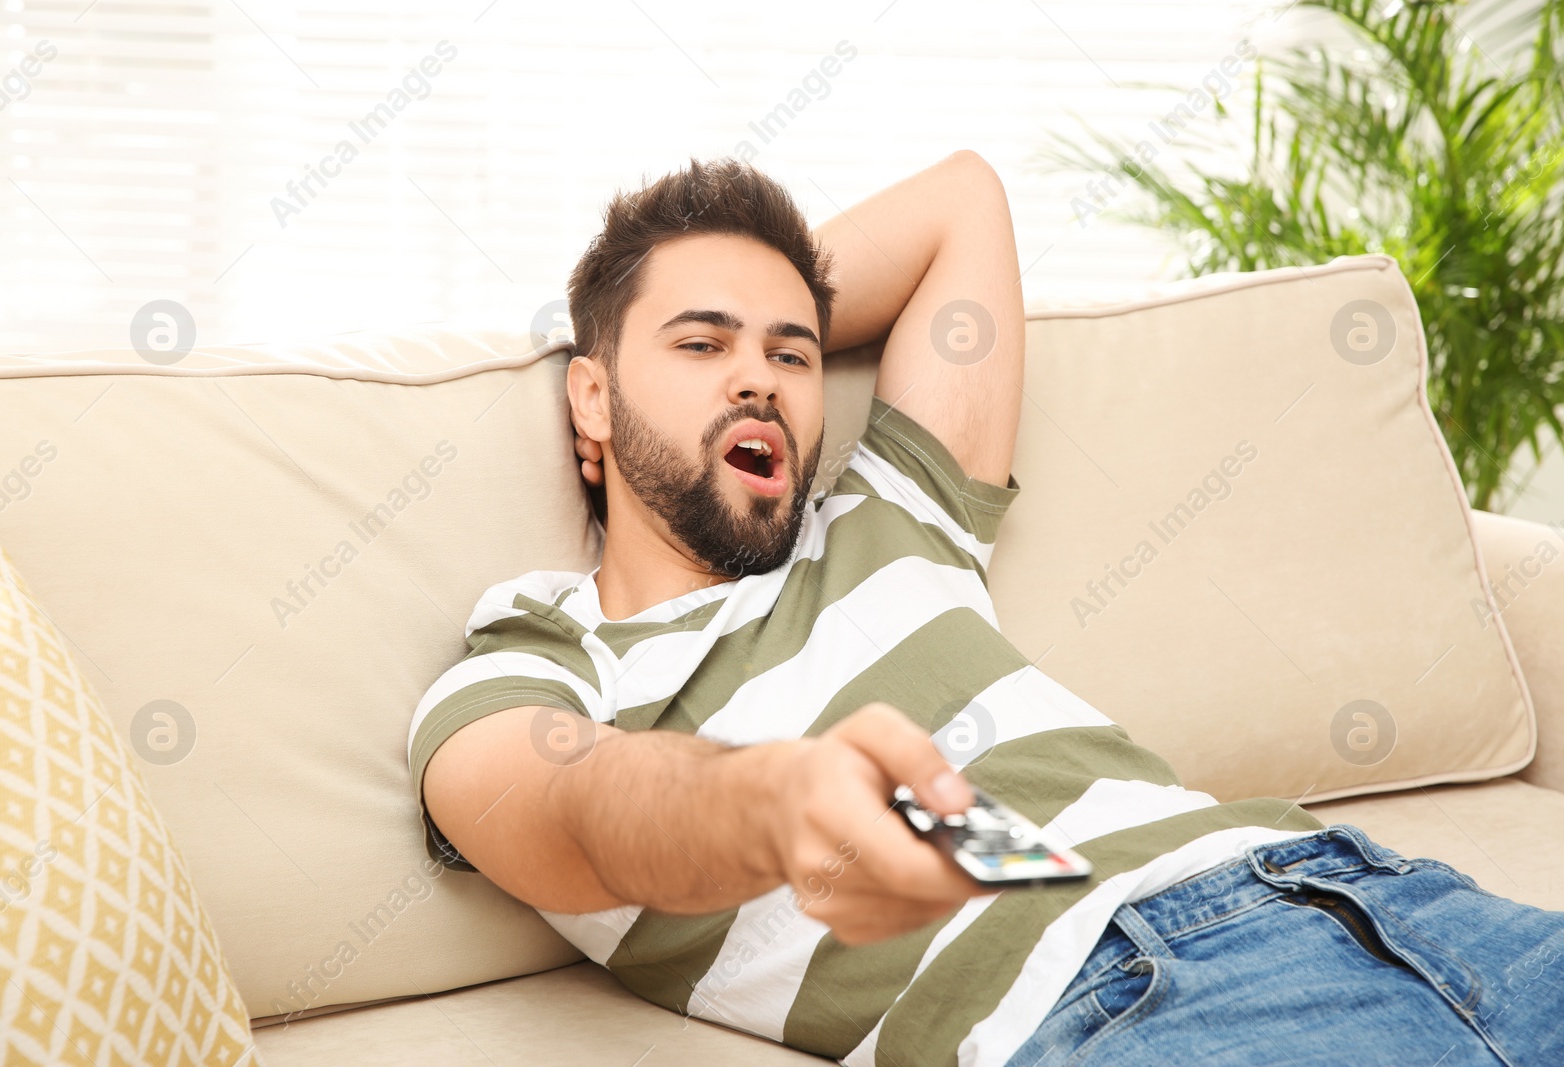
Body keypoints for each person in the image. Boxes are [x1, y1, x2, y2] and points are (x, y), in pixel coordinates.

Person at [407, 152, 1564, 1066]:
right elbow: (562, 816)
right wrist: (771, 797)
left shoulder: (889, 520)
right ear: (591, 397)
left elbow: (962, 199)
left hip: (1368, 890)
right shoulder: (546, 655)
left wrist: (756, 300)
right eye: (701, 342)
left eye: (792, 354)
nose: (757, 376)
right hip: (1129, 997)